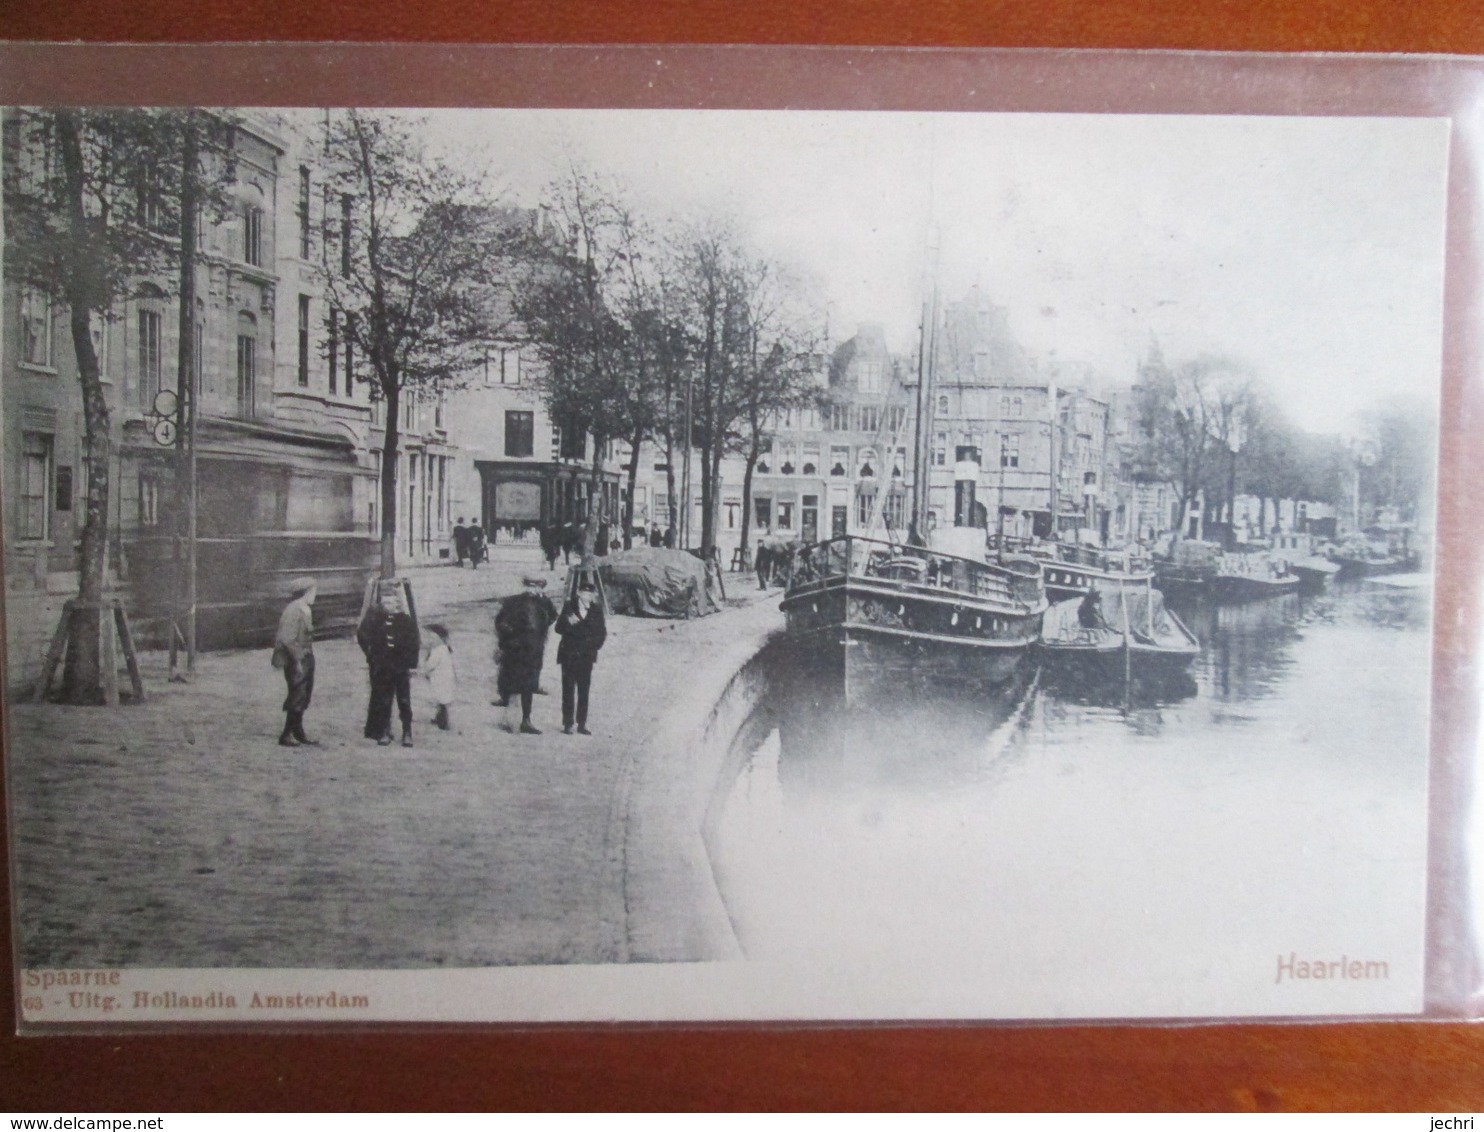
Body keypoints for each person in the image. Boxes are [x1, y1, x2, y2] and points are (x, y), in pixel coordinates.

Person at [358, 583, 421, 747]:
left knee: (404, 700)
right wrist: (371, 655)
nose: (388, 607)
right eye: (385, 603)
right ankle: (384, 731)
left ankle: (407, 732)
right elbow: (364, 637)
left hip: (400, 667)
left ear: (397, 604)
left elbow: (414, 643)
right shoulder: (376, 621)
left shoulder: (406, 621)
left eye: (392, 603)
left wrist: (410, 663)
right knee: (384, 700)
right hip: (384, 667)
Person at [493, 574, 558, 734]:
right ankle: (511, 720)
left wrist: (539, 634)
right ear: (525, 586)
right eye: (531, 586)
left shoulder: (544, 602)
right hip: (516, 651)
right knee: (514, 685)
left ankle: (526, 721)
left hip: (534, 650)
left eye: (537, 587)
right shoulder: (513, 602)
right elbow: (500, 622)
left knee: (529, 687)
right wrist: (511, 637)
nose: (533, 590)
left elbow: (553, 617)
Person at [555, 571, 608, 736]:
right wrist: (567, 622)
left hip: (586, 656)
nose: (587, 596)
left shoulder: (597, 610)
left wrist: (592, 647)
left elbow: (602, 633)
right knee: (568, 690)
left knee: (584, 691)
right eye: (584, 593)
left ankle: (582, 723)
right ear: (578, 593)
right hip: (569, 655)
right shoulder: (569, 607)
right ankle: (568, 723)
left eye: (590, 593)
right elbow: (558, 629)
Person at [271, 577, 318, 747]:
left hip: (305, 657)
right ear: (306, 592)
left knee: (303, 694)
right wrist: (298, 661)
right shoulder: (295, 609)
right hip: (296, 659)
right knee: (297, 694)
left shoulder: (303, 608)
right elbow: (287, 639)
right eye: (314, 591)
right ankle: (287, 734)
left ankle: (298, 732)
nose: (315, 594)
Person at [421, 622, 456, 731]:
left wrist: (425, 671)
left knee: (441, 701)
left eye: (432, 637)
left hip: (440, 678)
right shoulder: (444, 648)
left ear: (441, 638)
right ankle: (439, 717)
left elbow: (431, 664)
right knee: (442, 699)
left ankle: (443, 722)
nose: (430, 640)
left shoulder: (438, 650)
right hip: (445, 678)